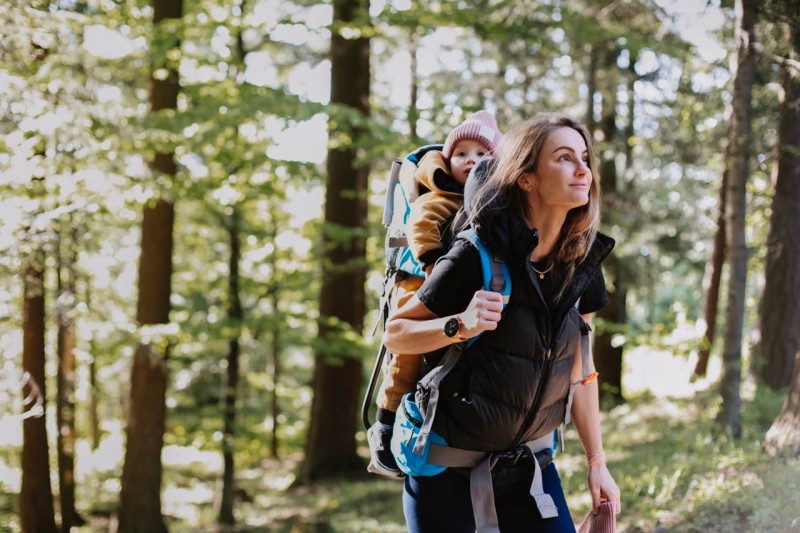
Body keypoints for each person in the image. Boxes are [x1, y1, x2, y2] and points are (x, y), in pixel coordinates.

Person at [382, 112, 622, 532]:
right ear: (525, 177)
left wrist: (596, 462)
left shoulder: (580, 261)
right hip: (445, 469)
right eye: (564, 158)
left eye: (585, 157)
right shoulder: (476, 254)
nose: (583, 169)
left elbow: (582, 371)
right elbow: (396, 334)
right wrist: (459, 324)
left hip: (528, 464)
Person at [369, 111, 503, 477]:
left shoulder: (498, 199)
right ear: (448, 159)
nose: (471, 161)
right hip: (422, 275)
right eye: (462, 153)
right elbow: (423, 226)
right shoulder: (438, 194)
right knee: (406, 357)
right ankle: (386, 418)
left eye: (481, 154)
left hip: (468, 280)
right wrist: (432, 269)